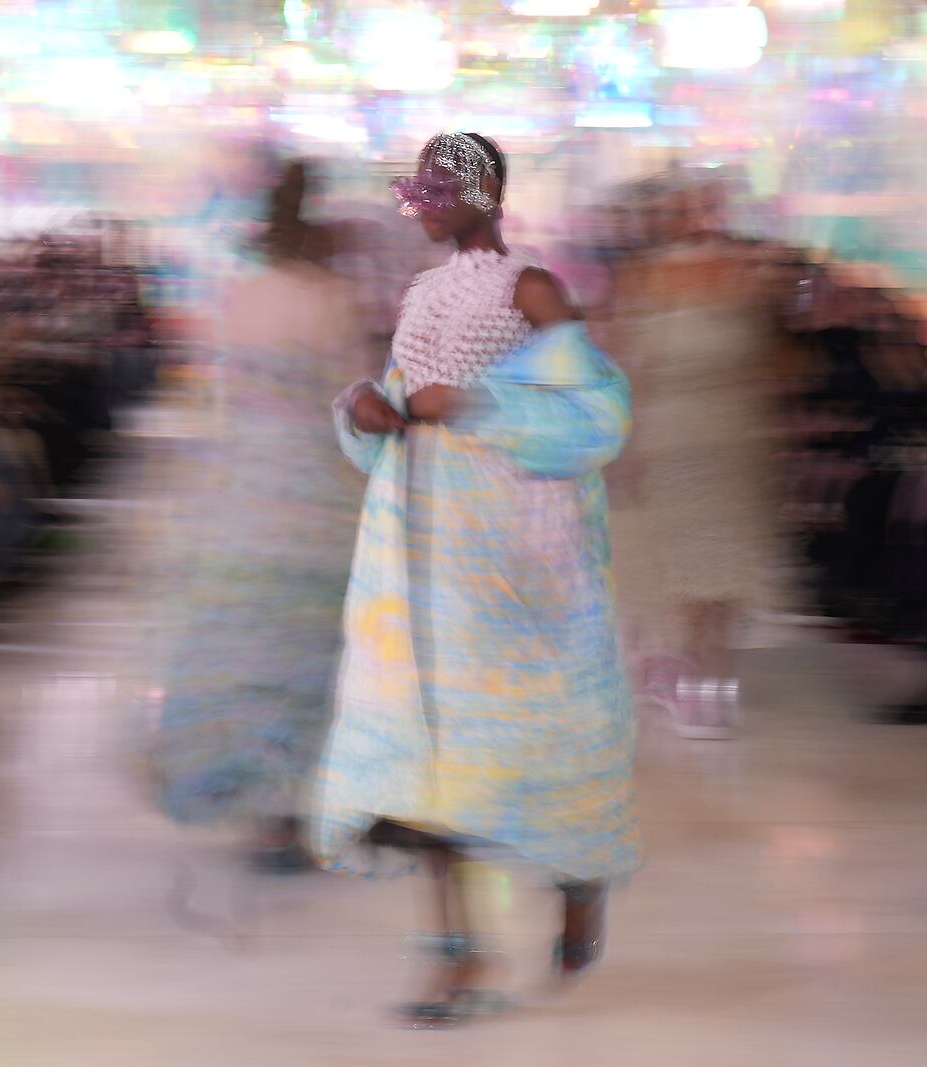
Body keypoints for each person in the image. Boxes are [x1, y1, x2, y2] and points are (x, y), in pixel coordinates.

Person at [313, 133, 638, 1027]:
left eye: (435, 188)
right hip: (417, 547)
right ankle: (459, 958)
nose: (419, 205)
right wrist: (365, 408)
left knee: (535, 733)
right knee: (427, 753)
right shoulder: (420, 290)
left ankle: (579, 870)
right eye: (413, 189)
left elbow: (596, 415)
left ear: (485, 190)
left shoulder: (530, 287)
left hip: (519, 555)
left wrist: (479, 403)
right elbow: (402, 388)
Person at [144, 161, 370, 870]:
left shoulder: (239, 297)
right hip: (315, 496)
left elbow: (223, 397)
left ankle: (264, 807)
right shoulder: (328, 298)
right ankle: (300, 807)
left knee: (252, 653)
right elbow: (351, 401)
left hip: (246, 493)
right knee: (311, 655)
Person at [608, 174, 795, 739]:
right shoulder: (644, 276)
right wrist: (625, 444)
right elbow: (627, 365)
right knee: (685, 567)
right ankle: (690, 681)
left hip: (732, 437)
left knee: (729, 567)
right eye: (682, 206)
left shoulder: (747, 271)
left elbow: (773, 356)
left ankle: (713, 679)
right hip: (671, 434)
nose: (694, 215)